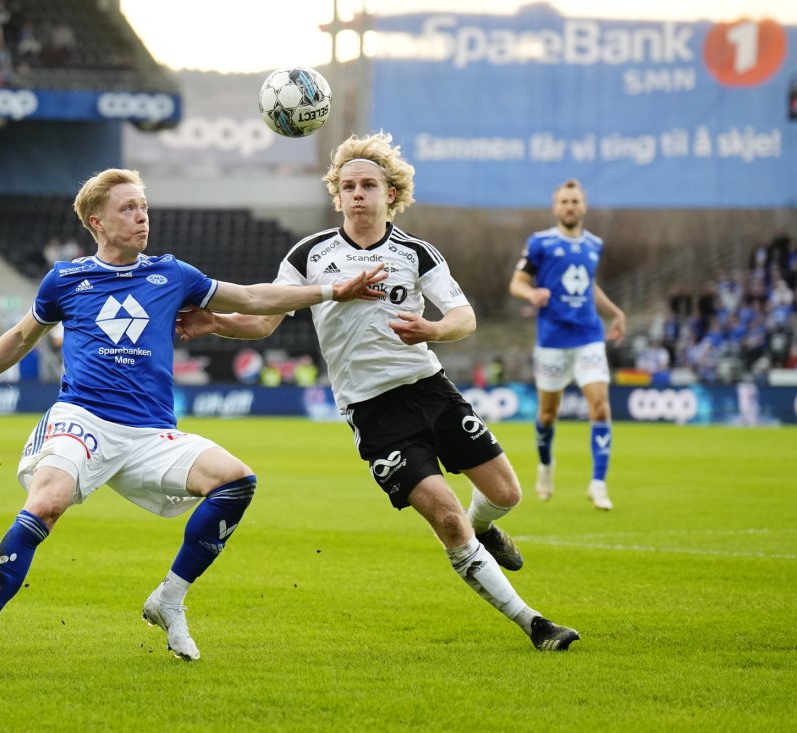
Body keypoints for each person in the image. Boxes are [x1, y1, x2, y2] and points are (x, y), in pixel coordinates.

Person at [0, 168, 385, 672]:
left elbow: (253, 299)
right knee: (47, 502)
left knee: (236, 481)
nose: (142, 216)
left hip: (149, 432)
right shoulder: (66, 279)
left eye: (143, 206)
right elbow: (18, 338)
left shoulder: (173, 275)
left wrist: (331, 291)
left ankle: (170, 598)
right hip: (85, 418)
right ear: (97, 221)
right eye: (128, 208)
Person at [177, 132, 580, 652]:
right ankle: (534, 624)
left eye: (369, 184)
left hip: (430, 389)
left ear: (392, 194)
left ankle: (486, 530)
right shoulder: (311, 253)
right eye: (349, 186)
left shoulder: (415, 252)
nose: (358, 193)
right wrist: (219, 325)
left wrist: (433, 330)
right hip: (373, 412)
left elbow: (464, 316)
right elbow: (263, 323)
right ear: (337, 195)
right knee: (447, 515)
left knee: (505, 494)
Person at [508, 179, 626, 510]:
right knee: (547, 415)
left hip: (589, 335)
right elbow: (517, 282)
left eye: (575, 201)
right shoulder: (540, 243)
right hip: (552, 340)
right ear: (555, 207)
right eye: (564, 202)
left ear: (584, 206)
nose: (570, 206)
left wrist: (615, 312)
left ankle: (598, 483)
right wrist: (531, 293)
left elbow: (589, 286)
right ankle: (545, 467)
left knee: (600, 405)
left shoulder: (594, 244)